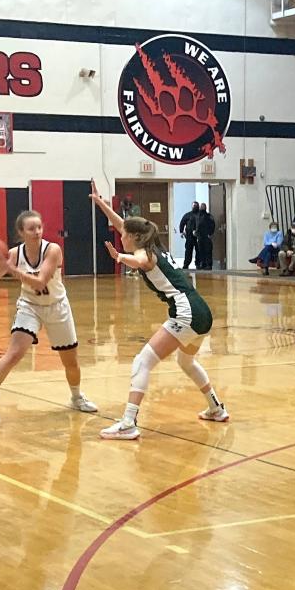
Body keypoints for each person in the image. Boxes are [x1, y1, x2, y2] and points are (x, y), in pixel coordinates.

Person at [90, 182, 227, 439]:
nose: (121, 236)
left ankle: (128, 423)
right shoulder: (151, 244)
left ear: (134, 238)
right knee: (186, 361)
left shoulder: (145, 253)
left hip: (186, 312)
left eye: (124, 235)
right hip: (201, 311)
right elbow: (123, 224)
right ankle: (216, 408)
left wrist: (119, 257)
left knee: (142, 362)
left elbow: (140, 262)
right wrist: (100, 203)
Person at [0, 210, 99, 427]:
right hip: (29, 306)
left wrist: (12, 270)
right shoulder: (13, 253)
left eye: (39, 227)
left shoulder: (53, 250)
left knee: (71, 362)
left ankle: (76, 396)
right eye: (31, 229)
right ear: (21, 232)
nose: (37, 232)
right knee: (14, 353)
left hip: (57, 306)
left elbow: (40, 282)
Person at [194, 203, 216, 270]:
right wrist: (194, 231)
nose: (202, 208)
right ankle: (202, 264)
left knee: (208, 251)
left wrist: (210, 233)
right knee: (200, 251)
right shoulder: (197, 216)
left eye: (203, 207)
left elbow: (213, 225)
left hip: (207, 236)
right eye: (201, 207)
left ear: (205, 208)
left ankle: (208, 265)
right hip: (200, 236)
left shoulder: (209, 216)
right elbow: (194, 224)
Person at [179, 201, 200, 269]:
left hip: (199, 236)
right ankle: (186, 264)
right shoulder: (188, 215)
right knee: (188, 250)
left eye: (196, 206)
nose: (195, 207)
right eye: (194, 206)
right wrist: (181, 232)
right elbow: (182, 223)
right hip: (189, 236)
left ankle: (198, 264)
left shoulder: (201, 215)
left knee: (199, 250)